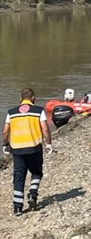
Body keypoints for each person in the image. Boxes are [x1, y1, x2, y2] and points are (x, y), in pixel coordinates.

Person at [3, 88, 52, 216]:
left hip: (17, 150)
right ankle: (33, 194)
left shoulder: (11, 112)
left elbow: (5, 131)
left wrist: (5, 144)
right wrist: (49, 144)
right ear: (33, 98)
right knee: (36, 172)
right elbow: (45, 129)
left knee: (19, 177)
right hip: (34, 148)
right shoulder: (38, 111)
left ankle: (18, 208)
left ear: (21, 99)